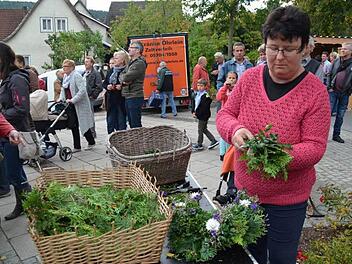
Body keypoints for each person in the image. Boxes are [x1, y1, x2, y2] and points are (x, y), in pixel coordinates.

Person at [216, 6, 330, 264]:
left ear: (303, 49)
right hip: (246, 193)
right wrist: (235, 131)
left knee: (281, 258)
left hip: (287, 201)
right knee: (248, 256)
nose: (279, 56)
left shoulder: (315, 92)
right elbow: (224, 115)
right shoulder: (249, 79)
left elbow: (315, 147)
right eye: (272, 47)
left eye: (288, 49)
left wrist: (274, 154)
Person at [0, 42, 33, 220]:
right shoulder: (7, 79)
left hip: (16, 132)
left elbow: (21, 108)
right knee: (15, 171)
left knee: (13, 171)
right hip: (8, 133)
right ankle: (27, 203)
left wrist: (2, 115)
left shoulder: (17, 79)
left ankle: (28, 202)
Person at [60, 59, 95, 152]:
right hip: (70, 104)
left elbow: (82, 90)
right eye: (63, 66)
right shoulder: (65, 77)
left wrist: (73, 99)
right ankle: (77, 146)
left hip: (79, 104)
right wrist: (61, 99)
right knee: (73, 125)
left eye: (66, 66)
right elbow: (63, 89)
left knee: (84, 124)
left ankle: (91, 142)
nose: (64, 68)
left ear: (72, 67)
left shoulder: (76, 76)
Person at [328, 42, 352, 143]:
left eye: (345, 49)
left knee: (340, 116)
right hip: (333, 92)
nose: (342, 50)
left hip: (345, 93)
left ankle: (336, 135)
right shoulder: (336, 61)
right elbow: (330, 74)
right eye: (341, 48)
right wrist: (329, 87)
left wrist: (349, 90)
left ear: (351, 51)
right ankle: (322, 136)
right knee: (327, 114)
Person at [120, 41, 147, 128]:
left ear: (138, 50)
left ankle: (139, 141)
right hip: (128, 96)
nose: (129, 49)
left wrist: (124, 80)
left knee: (135, 124)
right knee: (131, 123)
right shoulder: (131, 62)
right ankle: (135, 141)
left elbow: (125, 77)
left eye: (131, 48)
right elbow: (121, 75)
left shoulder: (139, 63)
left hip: (135, 96)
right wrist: (123, 80)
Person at [103, 52, 128, 133]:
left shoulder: (126, 71)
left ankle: (121, 141)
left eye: (116, 58)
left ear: (122, 60)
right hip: (111, 101)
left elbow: (129, 84)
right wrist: (108, 86)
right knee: (110, 123)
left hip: (121, 100)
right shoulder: (111, 71)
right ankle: (110, 140)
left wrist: (121, 87)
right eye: (114, 58)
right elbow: (104, 83)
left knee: (121, 123)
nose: (114, 60)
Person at [192, 79, 219, 151]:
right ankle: (213, 140)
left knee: (200, 130)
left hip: (203, 115)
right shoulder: (197, 94)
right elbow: (195, 104)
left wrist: (196, 114)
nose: (199, 87)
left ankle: (199, 144)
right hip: (199, 114)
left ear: (205, 87)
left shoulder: (206, 96)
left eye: (201, 86)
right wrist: (193, 111)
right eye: (198, 85)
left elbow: (203, 107)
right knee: (204, 129)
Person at [216, 71, 237, 161]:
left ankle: (228, 154)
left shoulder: (237, 89)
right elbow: (219, 97)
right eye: (229, 78)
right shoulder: (223, 89)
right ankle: (222, 153)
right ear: (226, 79)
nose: (231, 80)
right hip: (225, 115)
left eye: (233, 78)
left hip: (234, 115)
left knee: (230, 136)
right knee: (223, 135)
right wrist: (225, 87)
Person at [83, 56, 103, 138]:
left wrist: (93, 96)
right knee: (85, 116)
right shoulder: (83, 73)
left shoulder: (95, 73)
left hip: (89, 97)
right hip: (83, 98)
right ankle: (87, 133)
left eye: (87, 62)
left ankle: (92, 133)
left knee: (90, 116)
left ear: (92, 63)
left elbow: (99, 87)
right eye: (85, 61)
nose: (85, 63)